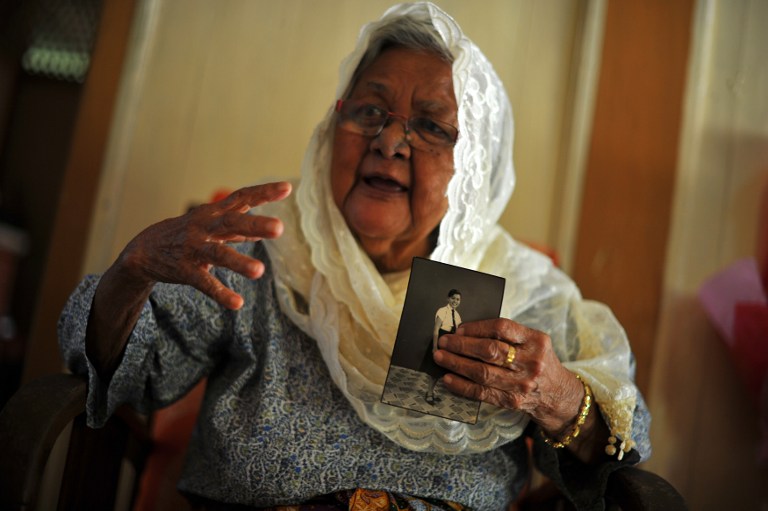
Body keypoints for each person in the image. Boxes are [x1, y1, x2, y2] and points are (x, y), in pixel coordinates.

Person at [58, 3, 651, 510]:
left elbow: (621, 441)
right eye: (370, 111)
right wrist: (132, 272)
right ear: (333, 124)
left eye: (431, 127)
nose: (389, 140)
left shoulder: (522, 288)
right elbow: (128, 373)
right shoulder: (261, 242)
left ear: (477, 164)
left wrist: (558, 397)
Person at [421, 289, 462, 405]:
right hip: (439, 341)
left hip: (448, 344)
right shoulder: (442, 311)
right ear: (448, 299)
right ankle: (429, 393)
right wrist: (435, 347)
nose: (455, 301)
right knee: (434, 371)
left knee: (438, 372)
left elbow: (457, 332)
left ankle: (431, 392)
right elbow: (436, 330)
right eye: (453, 298)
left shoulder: (458, 316)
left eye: (458, 299)